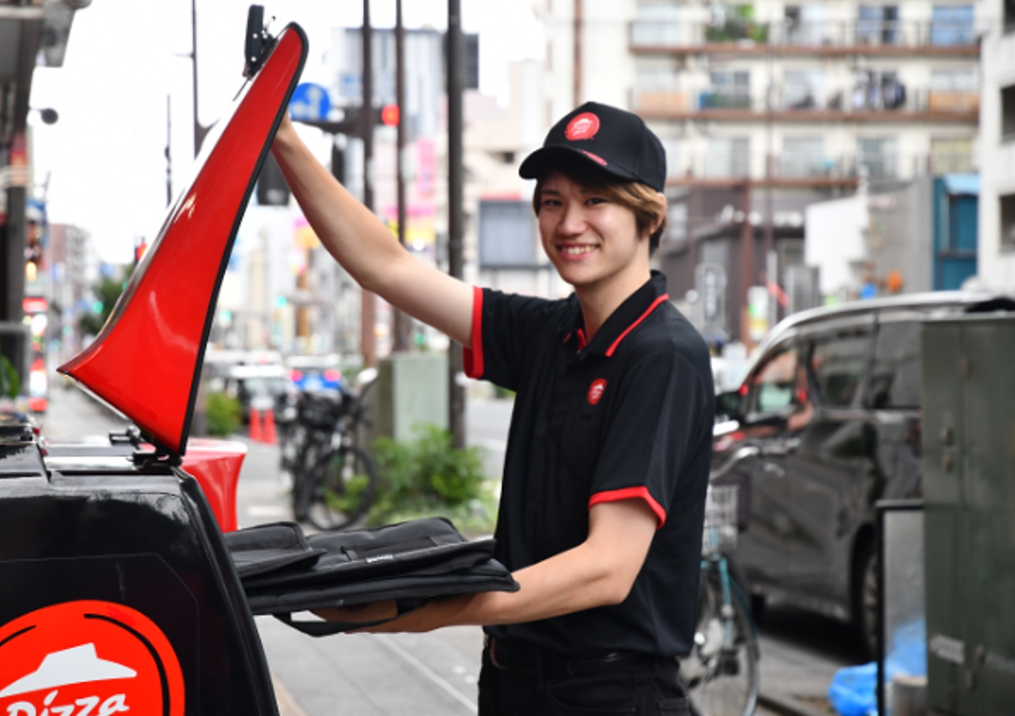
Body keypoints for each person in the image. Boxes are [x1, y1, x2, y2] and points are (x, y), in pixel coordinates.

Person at [271, 101, 714, 715]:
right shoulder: (553, 332)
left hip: (607, 695)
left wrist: (420, 609)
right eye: (552, 201)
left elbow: (607, 568)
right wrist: (283, 138)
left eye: (594, 201)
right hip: (513, 684)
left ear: (648, 215)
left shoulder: (662, 354)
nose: (568, 223)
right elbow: (387, 266)